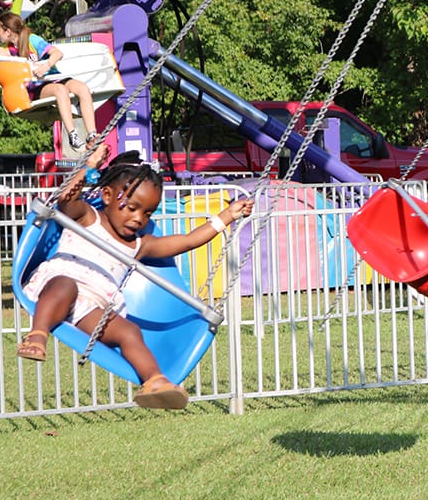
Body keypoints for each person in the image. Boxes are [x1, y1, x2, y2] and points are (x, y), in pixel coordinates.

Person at [16, 145, 254, 410]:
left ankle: (154, 381)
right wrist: (88, 167)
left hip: (93, 306)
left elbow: (187, 241)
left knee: (130, 331)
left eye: (147, 213)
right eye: (131, 207)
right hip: (57, 285)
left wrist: (226, 216)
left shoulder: (140, 245)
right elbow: (66, 199)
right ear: (107, 195)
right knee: (65, 286)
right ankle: (37, 335)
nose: (138, 218)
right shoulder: (86, 217)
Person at [0, 11, 98, 149]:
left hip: (53, 77)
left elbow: (57, 53)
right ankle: (72, 134)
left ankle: (92, 134)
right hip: (38, 85)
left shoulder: (32, 40)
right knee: (60, 90)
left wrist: (46, 65)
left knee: (83, 89)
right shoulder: (8, 50)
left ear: (7, 31)